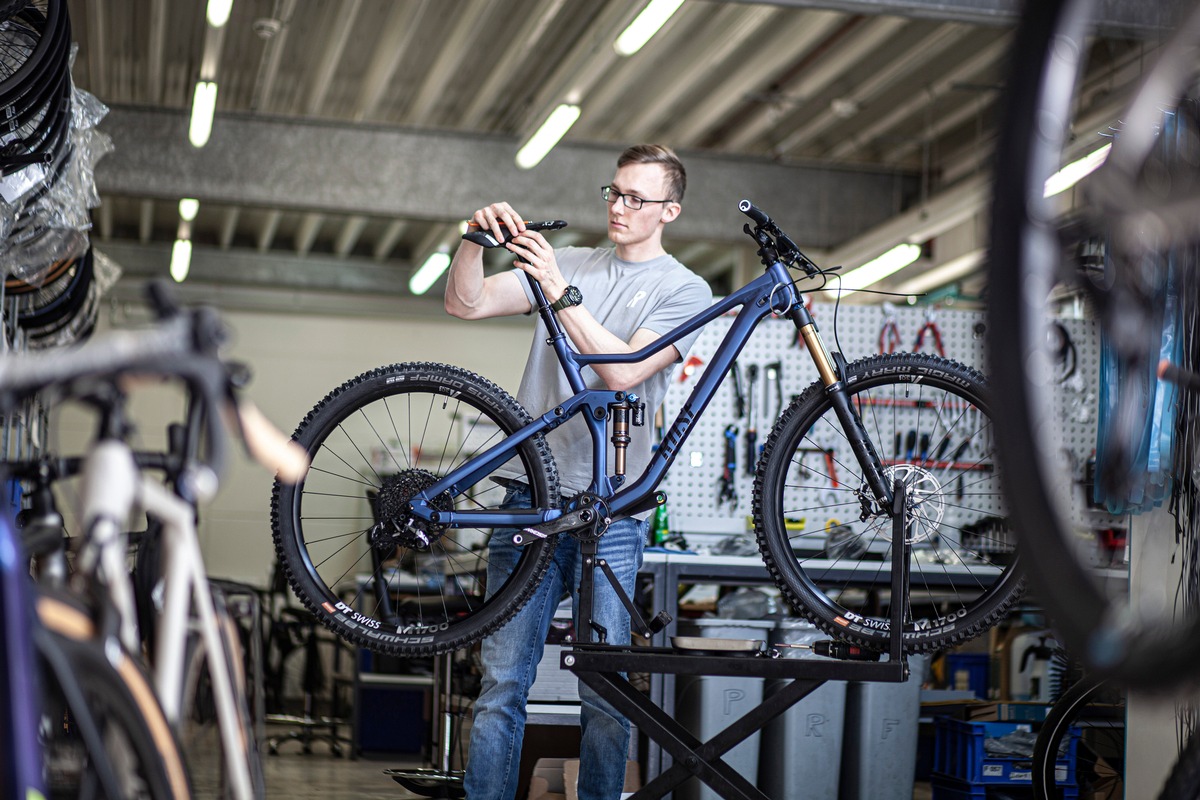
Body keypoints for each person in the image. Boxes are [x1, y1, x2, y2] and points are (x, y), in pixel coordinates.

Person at [444, 144, 712, 800]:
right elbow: (466, 304)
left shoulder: (686, 289)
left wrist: (559, 293)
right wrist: (473, 244)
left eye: (636, 199)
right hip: (529, 498)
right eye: (614, 192)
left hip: (612, 512)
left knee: (606, 692)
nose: (619, 207)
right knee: (503, 683)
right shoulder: (566, 262)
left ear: (669, 211)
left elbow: (622, 370)